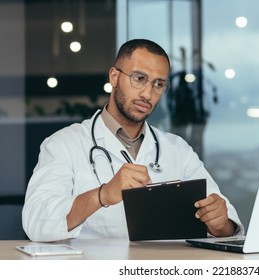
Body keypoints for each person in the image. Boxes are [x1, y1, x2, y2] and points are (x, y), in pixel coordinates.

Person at [22, 39, 243, 242]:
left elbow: (225, 225)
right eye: (139, 79)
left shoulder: (178, 150)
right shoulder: (63, 144)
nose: (148, 93)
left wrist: (220, 223)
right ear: (114, 77)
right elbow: (35, 222)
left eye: (158, 84)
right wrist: (102, 195)